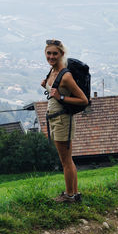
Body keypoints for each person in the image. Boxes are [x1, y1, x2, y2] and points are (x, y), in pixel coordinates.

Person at [41, 39, 88, 203]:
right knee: (68, 159)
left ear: (62, 54)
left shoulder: (65, 75)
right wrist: (46, 86)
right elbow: (54, 91)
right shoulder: (53, 71)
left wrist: (60, 96)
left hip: (62, 120)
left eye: (55, 53)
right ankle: (74, 194)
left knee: (65, 161)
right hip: (55, 119)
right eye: (48, 53)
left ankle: (69, 196)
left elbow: (83, 100)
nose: (51, 56)